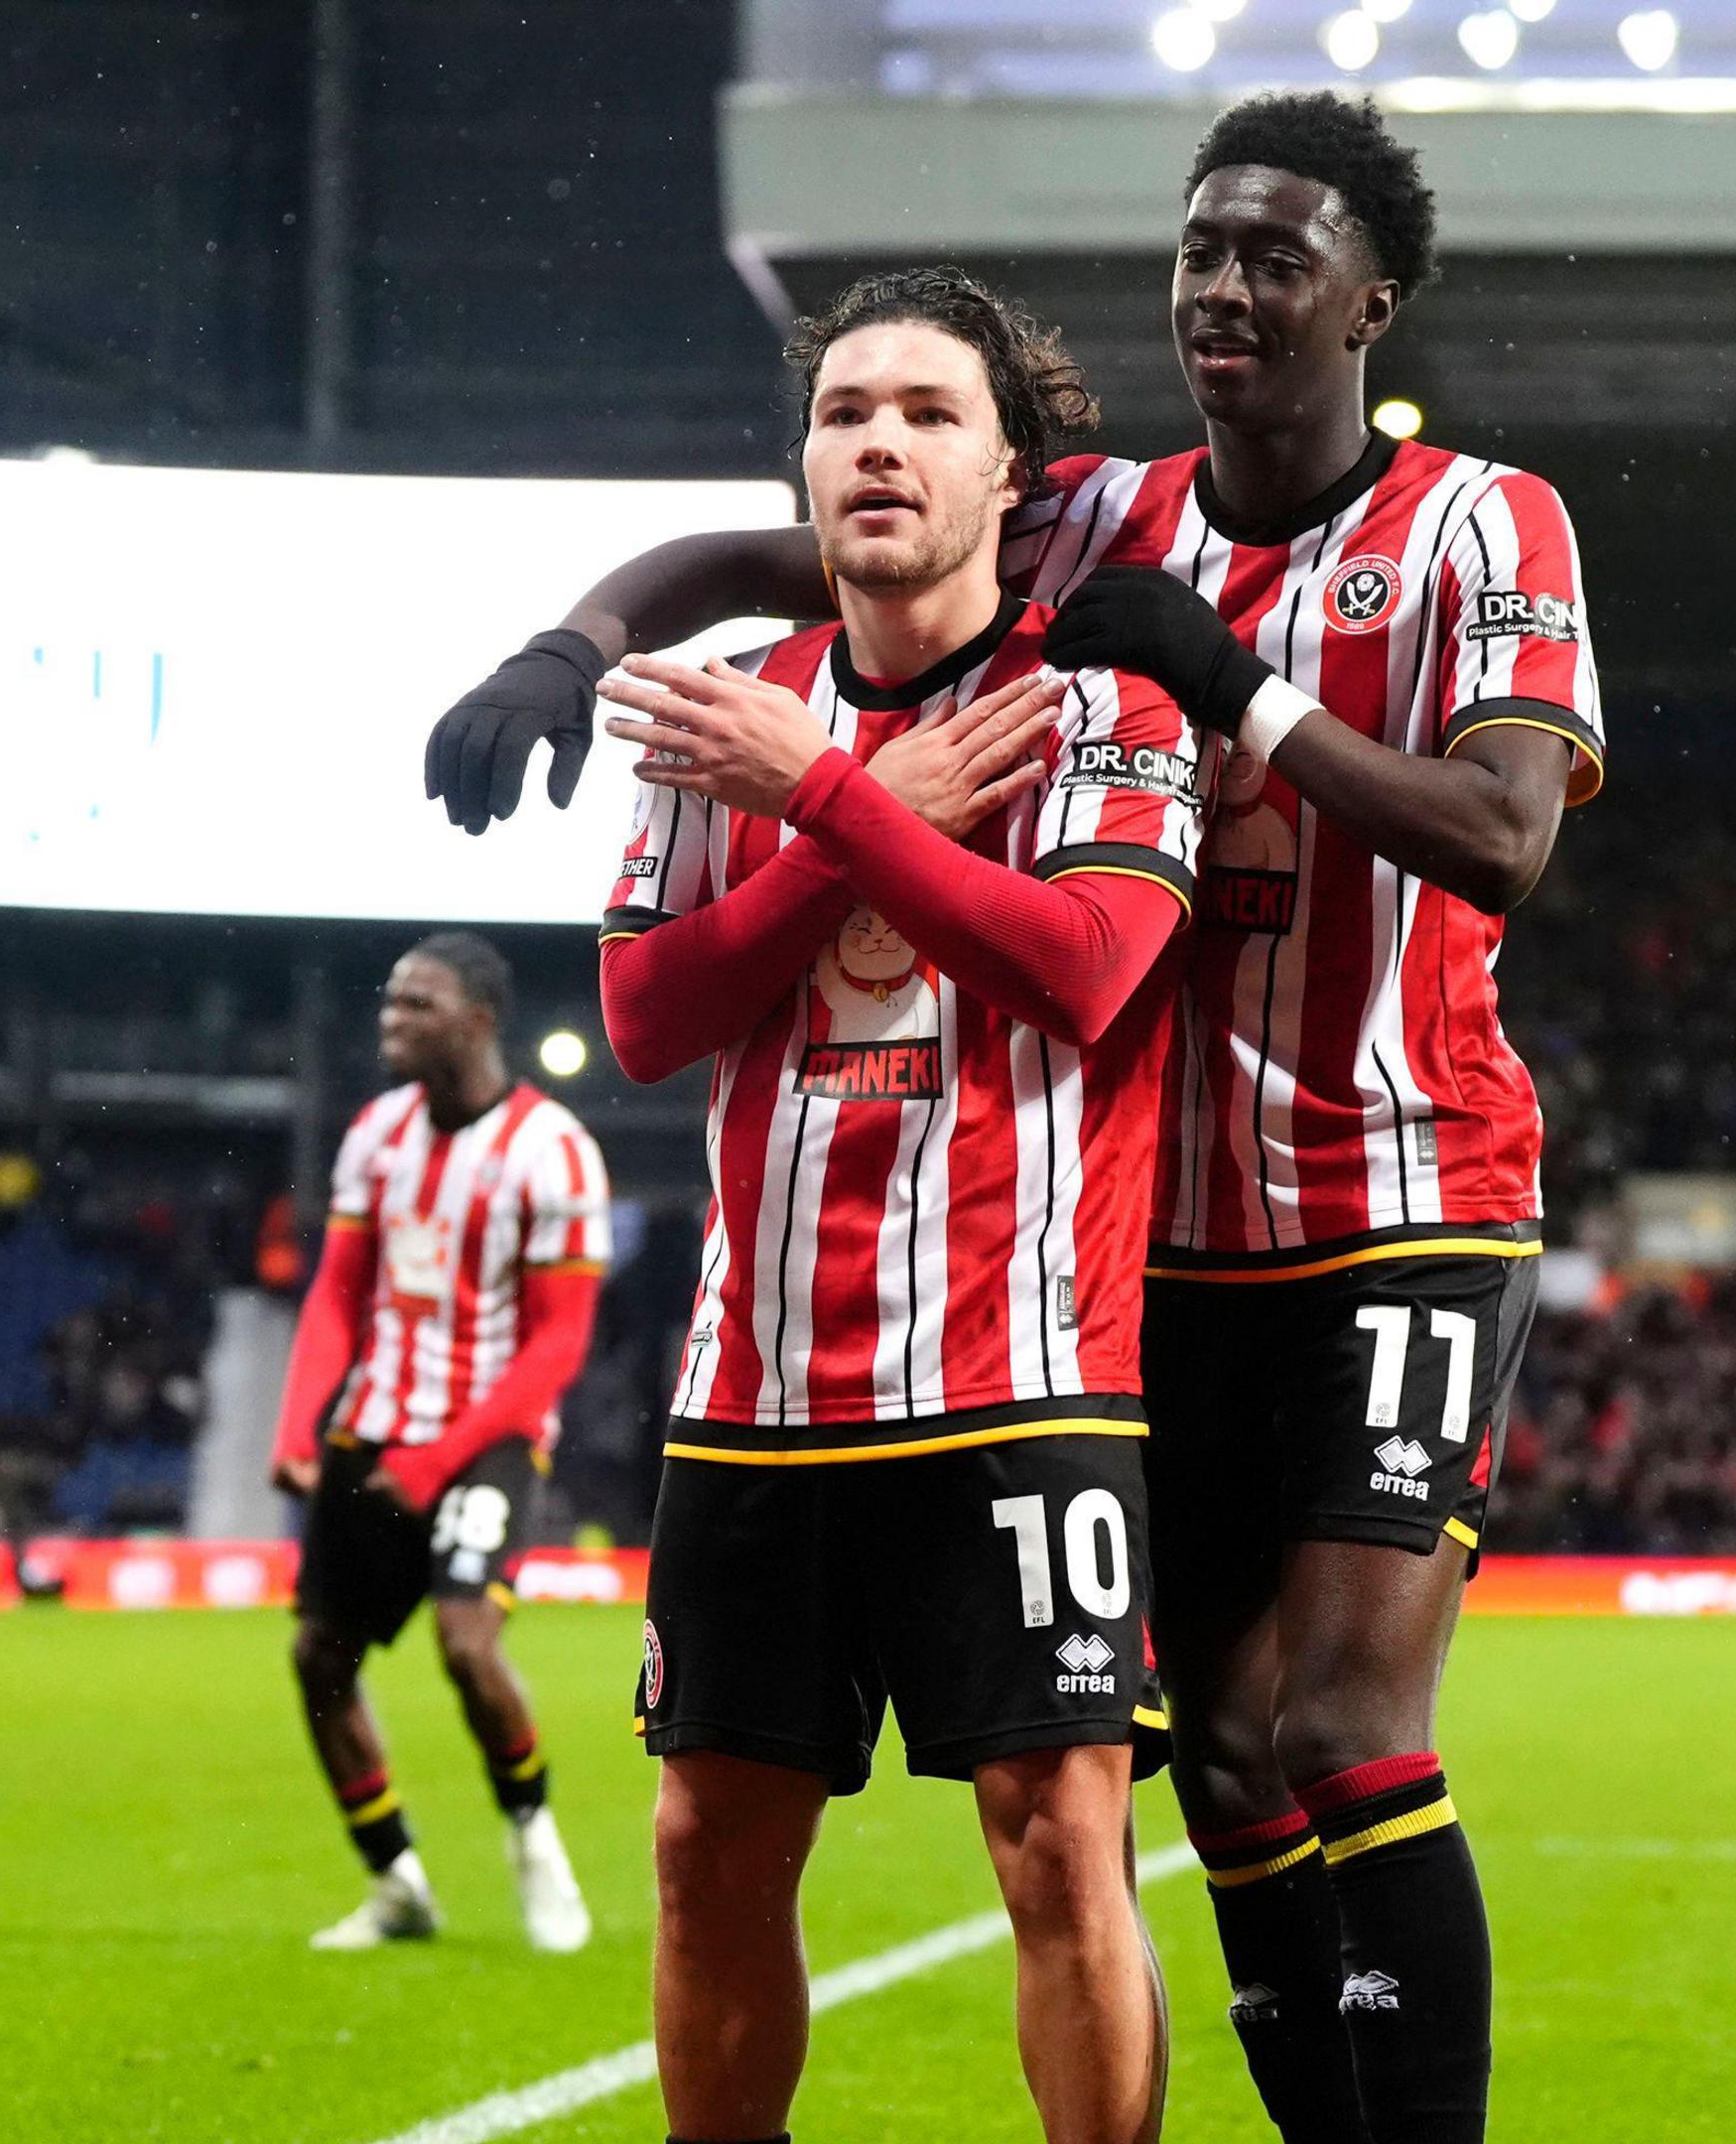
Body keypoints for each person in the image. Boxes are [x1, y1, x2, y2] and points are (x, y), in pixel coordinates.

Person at [435, 93, 1598, 2144]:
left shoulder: (1479, 524)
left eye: (1278, 257)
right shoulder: (1100, 520)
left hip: (1400, 1182)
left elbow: (1504, 838)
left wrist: (1244, 696)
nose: (1227, 286)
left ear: (1373, 301)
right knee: (1216, 1761)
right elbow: (762, 546)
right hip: (1167, 1239)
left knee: (1331, 1727)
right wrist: (574, 639)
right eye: (1202, 250)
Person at [596, 266, 1204, 2144]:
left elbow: (1088, 969)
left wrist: (837, 804)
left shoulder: (1112, 709)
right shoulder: (729, 721)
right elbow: (643, 1014)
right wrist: (848, 796)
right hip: (756, 1396)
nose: (880, 441)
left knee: (1054, 1847)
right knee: (706, 1845)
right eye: (847, 409)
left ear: (1009, 470)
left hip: (1020, 1378)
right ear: (804, 464)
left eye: (930, 413)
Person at [273, 931, 608, 1952]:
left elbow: (557, 1347)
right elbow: (337, 1294)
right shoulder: (376, 1134)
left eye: (418, 1005)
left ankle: (533, 1836)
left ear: (478, 1019)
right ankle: (397, 1882)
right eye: (390, 1003)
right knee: (320, 1656)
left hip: (486, 1440)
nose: (393, 1020)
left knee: (467, 1645)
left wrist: (432, 1463)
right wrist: (299, 1428)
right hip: (374, 1425)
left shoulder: (552, 1151)